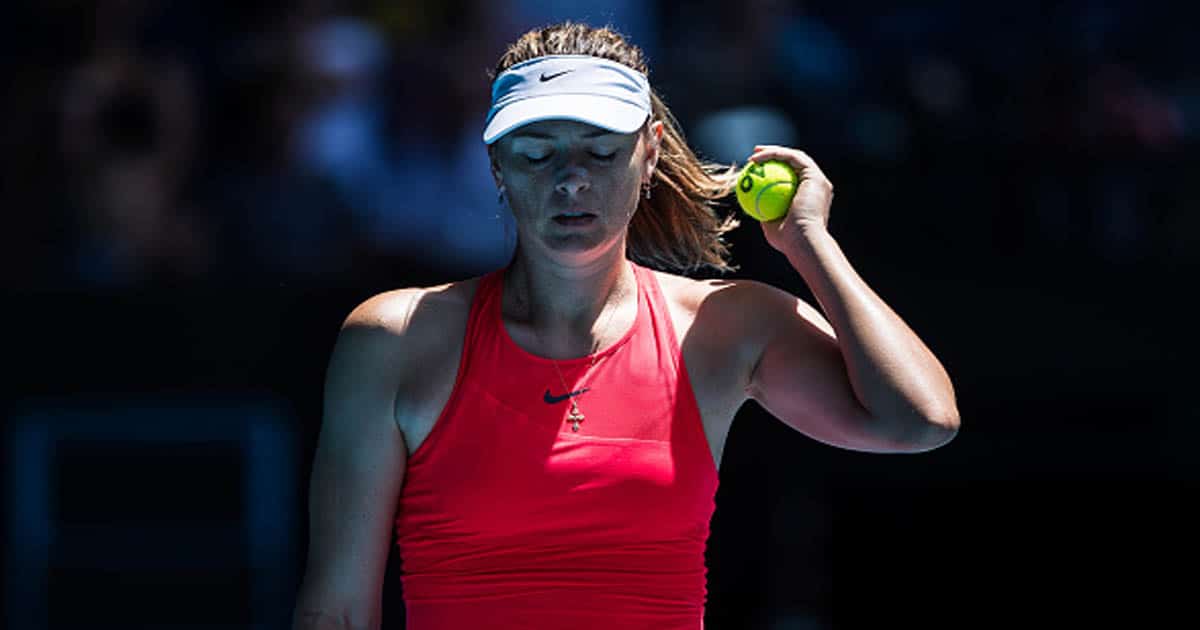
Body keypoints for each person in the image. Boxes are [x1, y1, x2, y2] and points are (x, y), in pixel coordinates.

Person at [292, 22, 960, 630]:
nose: (571, 181)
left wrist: (809, 242)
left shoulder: (725, 326)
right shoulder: (391, 338)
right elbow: (338, 611)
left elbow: (918, 421)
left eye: (602, 152)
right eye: (537, 153)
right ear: (496, 164)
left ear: (650, 153)